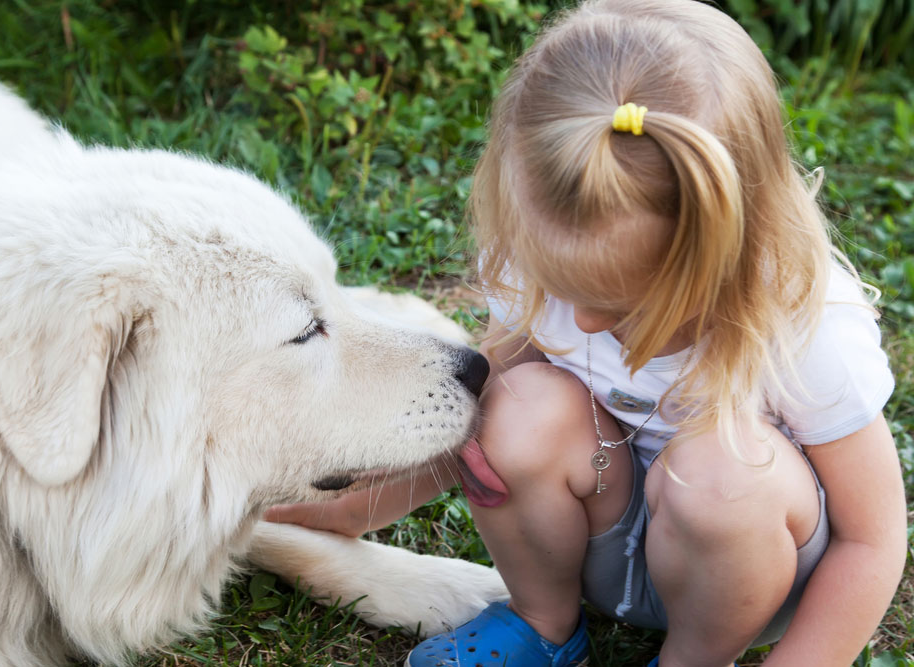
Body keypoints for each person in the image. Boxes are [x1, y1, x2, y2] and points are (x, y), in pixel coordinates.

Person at [265, 0, 909, 665]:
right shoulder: (545, 251)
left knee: (720, 473)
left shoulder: (805, 326)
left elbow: (872, 539)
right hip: (611, 542)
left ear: (725, 252)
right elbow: (469, 425)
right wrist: (353, 509)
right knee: (507, 404)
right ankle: (544, 623)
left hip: (748, 569)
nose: (589, 323)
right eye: (567, 293)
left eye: (623, 303)